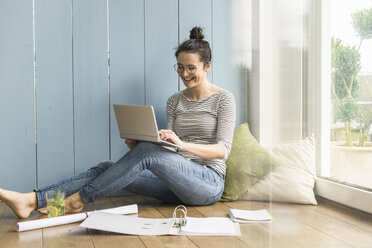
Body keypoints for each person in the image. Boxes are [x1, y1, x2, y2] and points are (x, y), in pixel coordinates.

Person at [0, 26, 236, 219]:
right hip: (173, 183)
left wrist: (181, 144)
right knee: (106, 167)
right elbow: (168, 153)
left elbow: (222, 151)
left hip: (207, 184)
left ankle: (75, 202)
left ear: (207, 67)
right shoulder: (175, 101)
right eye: (180, 67)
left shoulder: (224, 99)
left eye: (191, 68)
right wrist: (145, 142)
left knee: (146, 154)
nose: (184, 74)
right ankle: (32, 200)